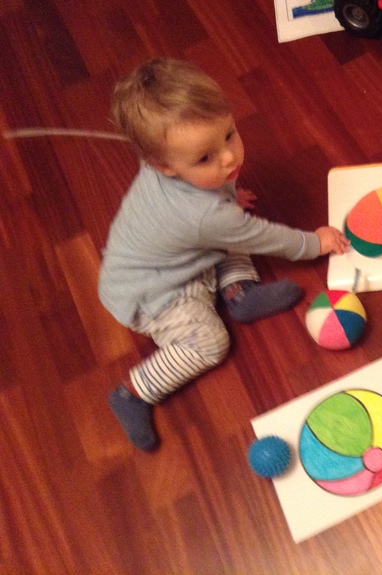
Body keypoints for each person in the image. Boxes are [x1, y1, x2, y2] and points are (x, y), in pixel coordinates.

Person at [99, 57, 349, 451]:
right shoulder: (204, 215)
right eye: (205, 158)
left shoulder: (174, 167)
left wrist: (227, 199)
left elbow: (217, 214)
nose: (229, 157)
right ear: (162, 166)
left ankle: (239, 294)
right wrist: (315, 243)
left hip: (178, 258)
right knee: (211, 343)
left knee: (229, 232)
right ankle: (133, 392)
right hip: (155, 297)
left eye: (229, 135)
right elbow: (267, 238)